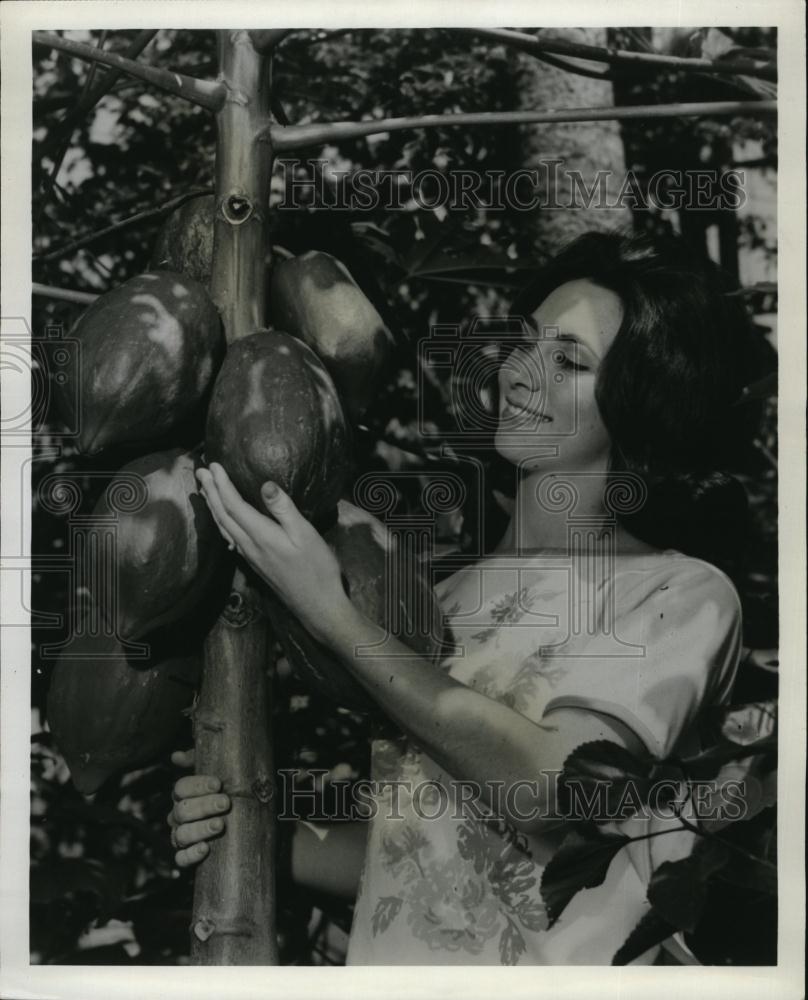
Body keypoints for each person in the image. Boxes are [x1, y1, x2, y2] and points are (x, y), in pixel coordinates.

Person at [167, 229, 757, 965]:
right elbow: (423, 854)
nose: (518, 374)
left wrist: (333, 618)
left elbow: (551, 794)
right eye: (526, 343)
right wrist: (246, 834)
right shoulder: (433, 594)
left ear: (637, 401)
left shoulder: (682, 595)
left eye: (568, 360)